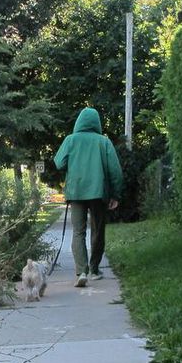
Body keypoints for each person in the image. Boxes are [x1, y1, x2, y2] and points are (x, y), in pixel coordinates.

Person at [53, 106, 123, 287]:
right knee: (98, 230)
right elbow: (115, 170)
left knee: (78, 232)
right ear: (97, 123)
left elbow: (59, 163)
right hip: (98, 192)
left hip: (76, 192)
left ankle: (81, 271)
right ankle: (94, 269)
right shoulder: (103, 142)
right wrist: (115, 194)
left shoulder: (70, 140)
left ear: (79, 122)